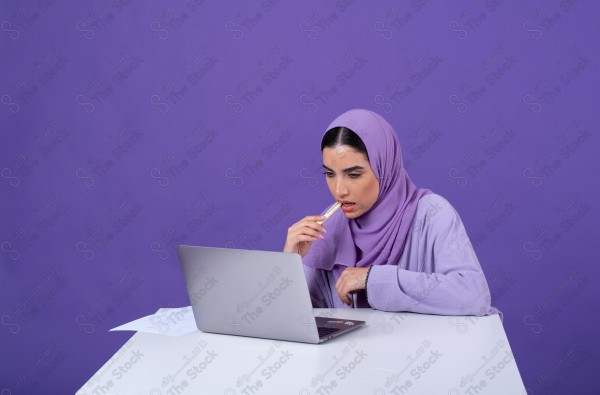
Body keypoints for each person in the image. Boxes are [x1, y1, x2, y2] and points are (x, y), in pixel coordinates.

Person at [283, 108, 499, 316]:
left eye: (354, 174)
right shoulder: (327, 228)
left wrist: (372, 279)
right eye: (330, 174)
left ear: (384, 168)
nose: (339, 190)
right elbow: (296, 323)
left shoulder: (432, 214)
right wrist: (290, 263)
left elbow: (474, 295)